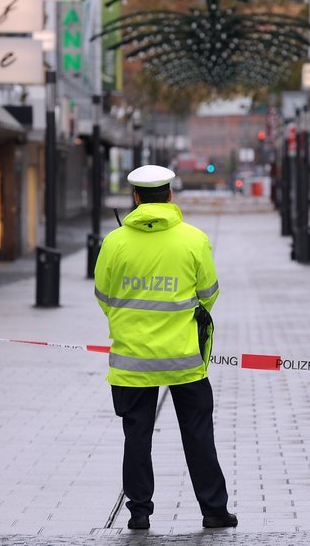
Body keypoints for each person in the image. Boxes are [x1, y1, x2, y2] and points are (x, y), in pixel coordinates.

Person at [94, 164, 238, 531]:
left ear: (136, 198)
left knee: (136, 437)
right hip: (184, 359)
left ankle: (139, 512)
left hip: (131, 359)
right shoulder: (193, 239)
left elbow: (104, 296)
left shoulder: (115, 242)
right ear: (170, 195)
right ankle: (214, 510)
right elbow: (209, 293)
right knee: (198, 434)